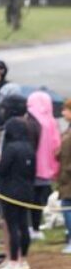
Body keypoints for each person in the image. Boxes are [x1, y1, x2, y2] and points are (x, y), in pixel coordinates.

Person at [0, 117, 35, 269]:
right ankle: (23, 260)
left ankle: (13, 262)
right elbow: (32, 172)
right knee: (24, 226)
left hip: (10, 192)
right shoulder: (29, 148)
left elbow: (2, 170)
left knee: (12, 227)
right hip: (26, 191)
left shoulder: (10, 148)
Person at [26, 91, 61, 241]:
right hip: (46, 168)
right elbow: (56, 144)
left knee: (27, 198)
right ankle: (35, 227)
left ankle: (28, 227)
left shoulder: (29, 120)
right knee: (39, 199)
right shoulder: (52, 121)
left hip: (30, 167)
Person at [57, 98, 71, 255]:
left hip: (68, 176)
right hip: (66, 175)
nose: (63, 113)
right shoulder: (67, 130)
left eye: (66, 110)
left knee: (67, 207)